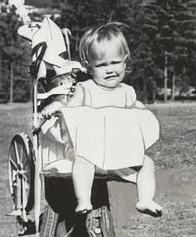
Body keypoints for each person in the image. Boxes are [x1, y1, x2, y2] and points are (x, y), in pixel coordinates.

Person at [43, 22, 163, 217]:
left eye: (115, 63)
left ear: (125, 61)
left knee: (147, 162)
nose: (109, 70)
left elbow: (135, 115)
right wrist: (56, 107)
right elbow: (69, 111)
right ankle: (83, 199)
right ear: (89, 68)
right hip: (90, 150)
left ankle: (145, 199)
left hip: (118, 152)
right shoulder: (86, 89)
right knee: (82, 161)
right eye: (101, 65)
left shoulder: (127, 92)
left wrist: (140, 110)